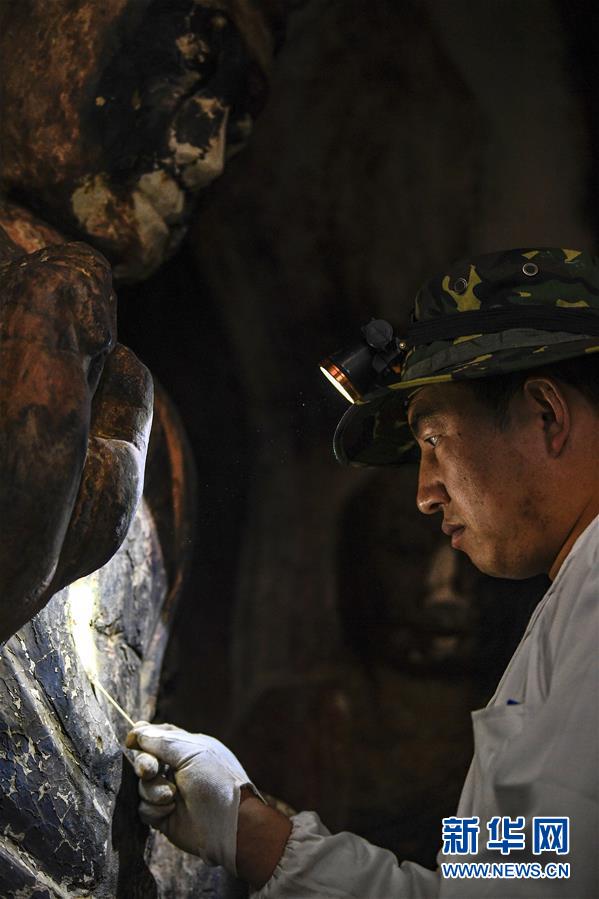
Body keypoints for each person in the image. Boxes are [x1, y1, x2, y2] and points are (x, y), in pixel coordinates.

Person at [127, 247, 599, 897]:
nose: (424, 494)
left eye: (433, 440)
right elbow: (503, 884)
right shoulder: (572, 595)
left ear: (545, 415)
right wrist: (251, 833)